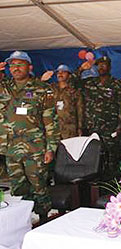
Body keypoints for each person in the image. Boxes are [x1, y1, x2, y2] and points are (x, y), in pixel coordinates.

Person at [0, 51, 60, 222]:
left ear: (30, 67)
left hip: (35, 149)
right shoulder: (3, 86)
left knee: (39, 187)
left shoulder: (42, 89)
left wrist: (51, 148)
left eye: (20, 64)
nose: (15, 68)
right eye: (12, 65)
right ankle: (21, 222)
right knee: (17, 189)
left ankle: (43, 220)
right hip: (10, 148)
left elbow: (51, 121)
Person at [82, 56, 121, 179]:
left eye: (104, 64)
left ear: (110, 67)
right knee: (94, 157)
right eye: (99, 65)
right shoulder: (90, 83)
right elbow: (72, 83)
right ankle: (96, 186)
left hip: (110, 127)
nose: (101, 67)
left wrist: (120, 126)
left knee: (112, 157)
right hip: (93, 127)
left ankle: (112, 184)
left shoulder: (116, 84)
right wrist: (81, 69)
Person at [50, 64, 84, 140]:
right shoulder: (51, 88)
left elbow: (80, 111)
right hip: (53, 129)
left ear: (69, 75)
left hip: (70, 129)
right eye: (58, 72)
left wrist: (80, 128)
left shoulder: (74, 92)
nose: (60, 74)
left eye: (63, 72)